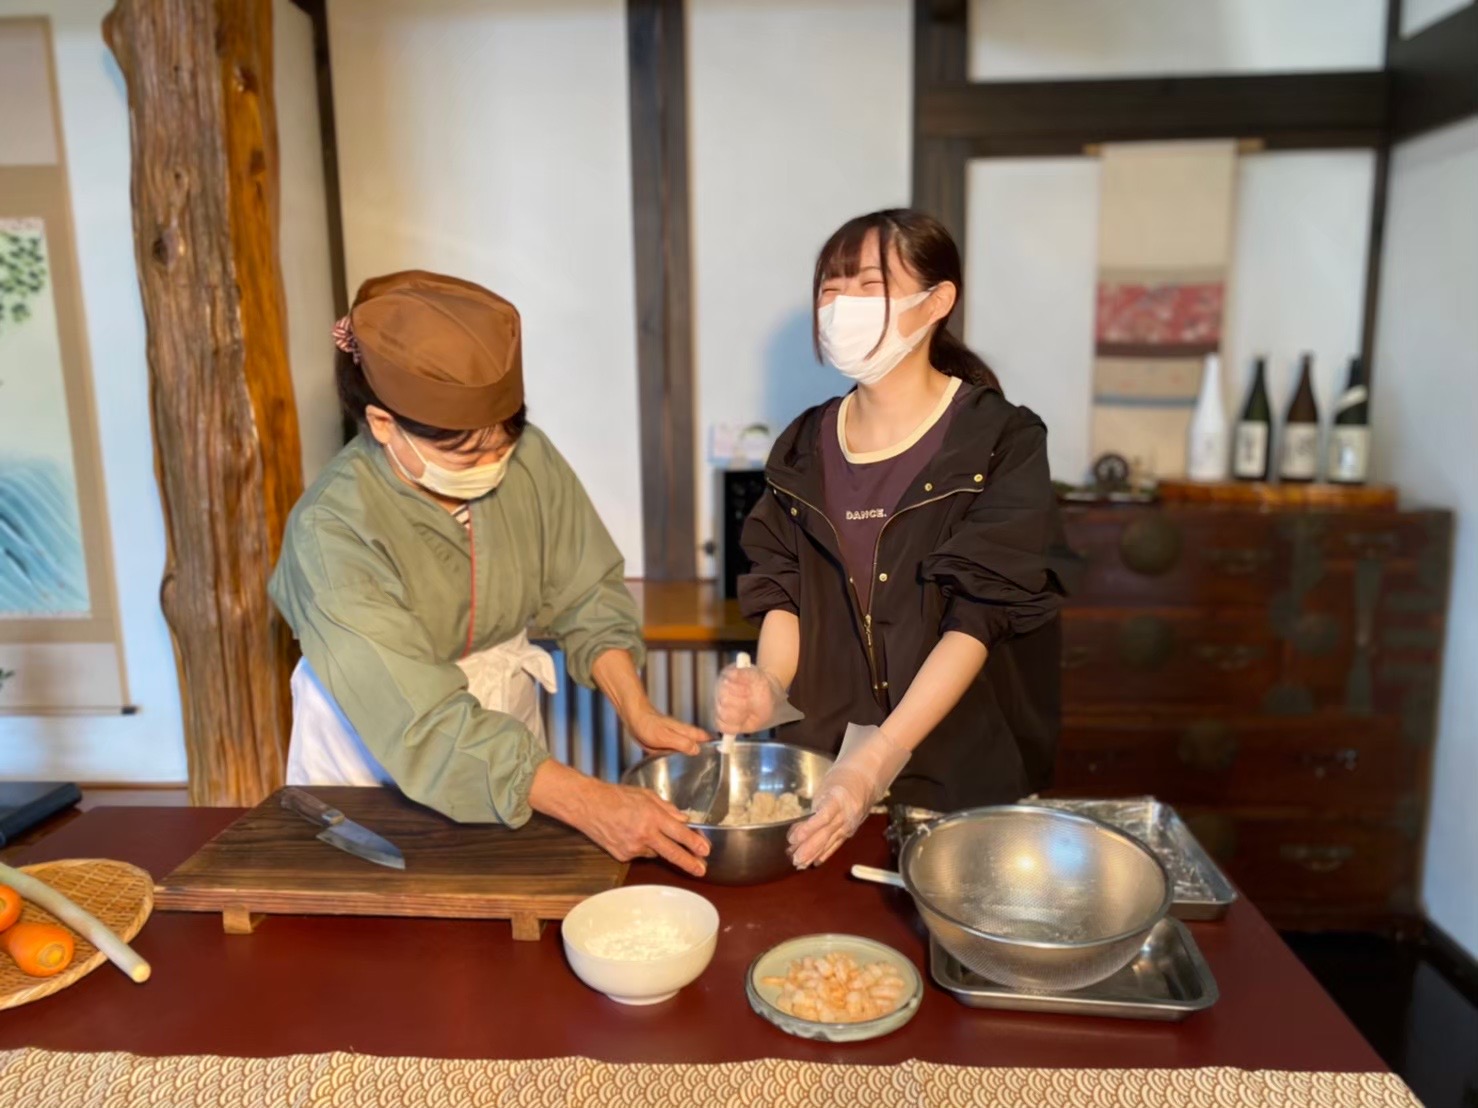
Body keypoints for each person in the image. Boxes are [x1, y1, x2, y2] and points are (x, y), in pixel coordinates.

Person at [269, 270, 711, 876]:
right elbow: (419, 722)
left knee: (505, 911)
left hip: (506, 745)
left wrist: (635, 707)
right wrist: (588, 801)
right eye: (467, 454)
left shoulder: (528, 458)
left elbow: (587, 591)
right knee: (378, 942)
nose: (494, 464)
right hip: (373, 755)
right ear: (382, 425)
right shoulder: (332, 531)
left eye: (504, 442)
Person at [714, 209, 1072, 869]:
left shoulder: (1002, 442)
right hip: (821, 777)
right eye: (829, 286)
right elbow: (784, 593)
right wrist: (769, 682)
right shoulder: (801, 445)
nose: (840, 304)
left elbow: (979, 617)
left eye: (867, 284)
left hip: (958, 778)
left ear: (937, 301)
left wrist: (880, 756)